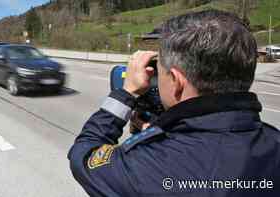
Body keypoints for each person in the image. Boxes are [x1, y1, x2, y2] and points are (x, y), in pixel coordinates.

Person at [68, 10, 280, 197]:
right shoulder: (274, 142)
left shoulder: (144, 168)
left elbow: (84, 153)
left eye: (159, 71)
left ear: (177, 82)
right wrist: (168, 133)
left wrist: (127, 92)